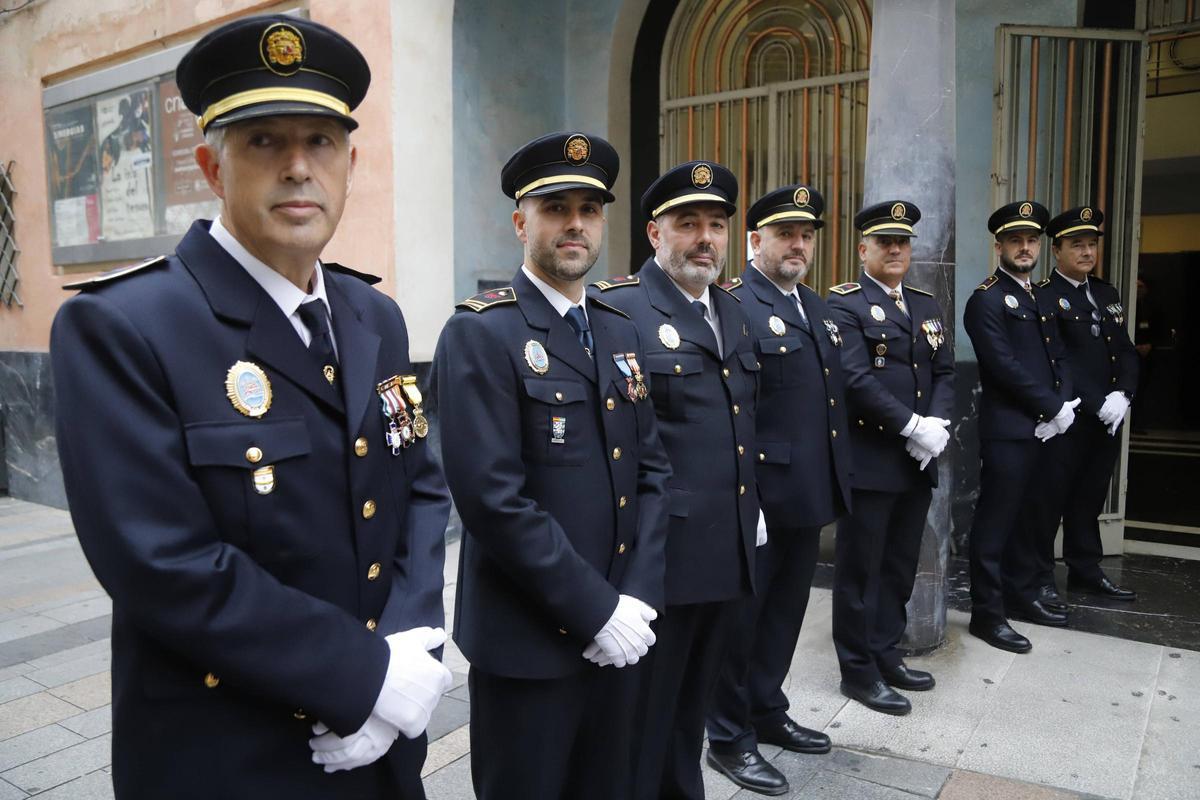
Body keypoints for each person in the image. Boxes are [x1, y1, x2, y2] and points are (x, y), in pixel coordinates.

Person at [51, 15, 452, 798]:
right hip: (230, 754)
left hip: (382, 742)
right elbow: (163, 564)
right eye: (265, 141)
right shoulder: (125, 325)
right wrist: (363, 676)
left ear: (350, 161)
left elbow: (420, 491)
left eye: (321, 142)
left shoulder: (376, 317)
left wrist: (409, 653)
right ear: (211, 163)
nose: (300, 167)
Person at [434, 131, 671, 800]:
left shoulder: (620, 328)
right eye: (556, 208)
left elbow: (653, 470)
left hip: (622, 633)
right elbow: (492, 500)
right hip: (529, 642)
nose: (576, 224)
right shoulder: (481, 334)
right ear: (521, 223)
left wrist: (637, 602)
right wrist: (596, 610)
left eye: (590, 210)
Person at [593, 160, 758, 799]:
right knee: (646, 710)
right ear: (655, 233)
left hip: (730, 544)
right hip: (662, 552)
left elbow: (746, 418)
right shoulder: (620, 310)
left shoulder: (734, 310)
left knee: (696, 700)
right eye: (687, 223)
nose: (704, 238)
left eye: (716, 224)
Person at [704, 184, 849, 795]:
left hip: (807, 492)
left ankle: (767, 708)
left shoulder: (815, 306)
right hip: (757, 496)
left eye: (807, 235)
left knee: (786, 613)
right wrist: (746, 496)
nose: (798, 244)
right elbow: (729, 410)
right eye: (785, 233)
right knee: (739, 623)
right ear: (754, 240)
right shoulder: (733, 304)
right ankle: (728, 735)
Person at [827, 200, 954, 716]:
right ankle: (857, 672)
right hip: (870, 458)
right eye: (884, 242)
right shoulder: (845, 304)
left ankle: (886, 652)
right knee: (861, 570)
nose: (896, 249)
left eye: (903, 242)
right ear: (864, 250)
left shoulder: (925, 304)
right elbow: (853, 379)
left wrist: (936, 427)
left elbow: (945, 372)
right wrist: (911, 425)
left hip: (916, 459)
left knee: (899, 566)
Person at [964, 200, 1078, 654]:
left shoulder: (1042, 296)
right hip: (1011, 430)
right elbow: (1004, 366)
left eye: (1032, 240)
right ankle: (987, 615)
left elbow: (1060, 355)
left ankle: (1023, 592)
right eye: (1016, 240)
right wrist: (1052, 407)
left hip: (1049, 427)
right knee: (995, 525)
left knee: (1033, 518)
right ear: (999, 246)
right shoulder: (986, 299)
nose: (1025, 247)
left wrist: (1065, 404)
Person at [1038, 207, 1138, 600]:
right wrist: (1099, 403)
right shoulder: (1046, 296)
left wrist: (1123, 395)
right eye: (1076, 245)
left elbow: (1126, 351)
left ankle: (1085, 569)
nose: (1086, 252)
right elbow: (1063, 362)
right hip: (1071, 417)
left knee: (1090, 498)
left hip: (1108, 417)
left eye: (1091, 244)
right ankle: (1041, 577)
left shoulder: (1105, 292)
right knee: (1051, 499)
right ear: (1057, 250)